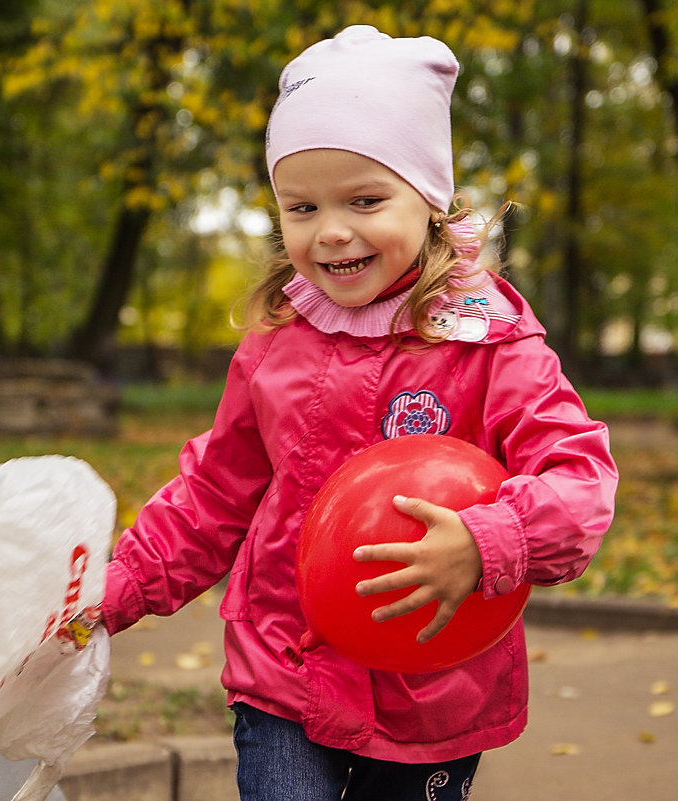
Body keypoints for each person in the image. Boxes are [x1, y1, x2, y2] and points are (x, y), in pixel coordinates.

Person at [100, 25, 618, 801]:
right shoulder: (276, 344)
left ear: (431, 199)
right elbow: (213, 495)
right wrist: (119, 585)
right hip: (285, 672)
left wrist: (490, 539)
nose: (331, 230)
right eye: (301, 206)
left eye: (365, 199)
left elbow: (581, 480)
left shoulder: (491, 342)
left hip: (433, 689)